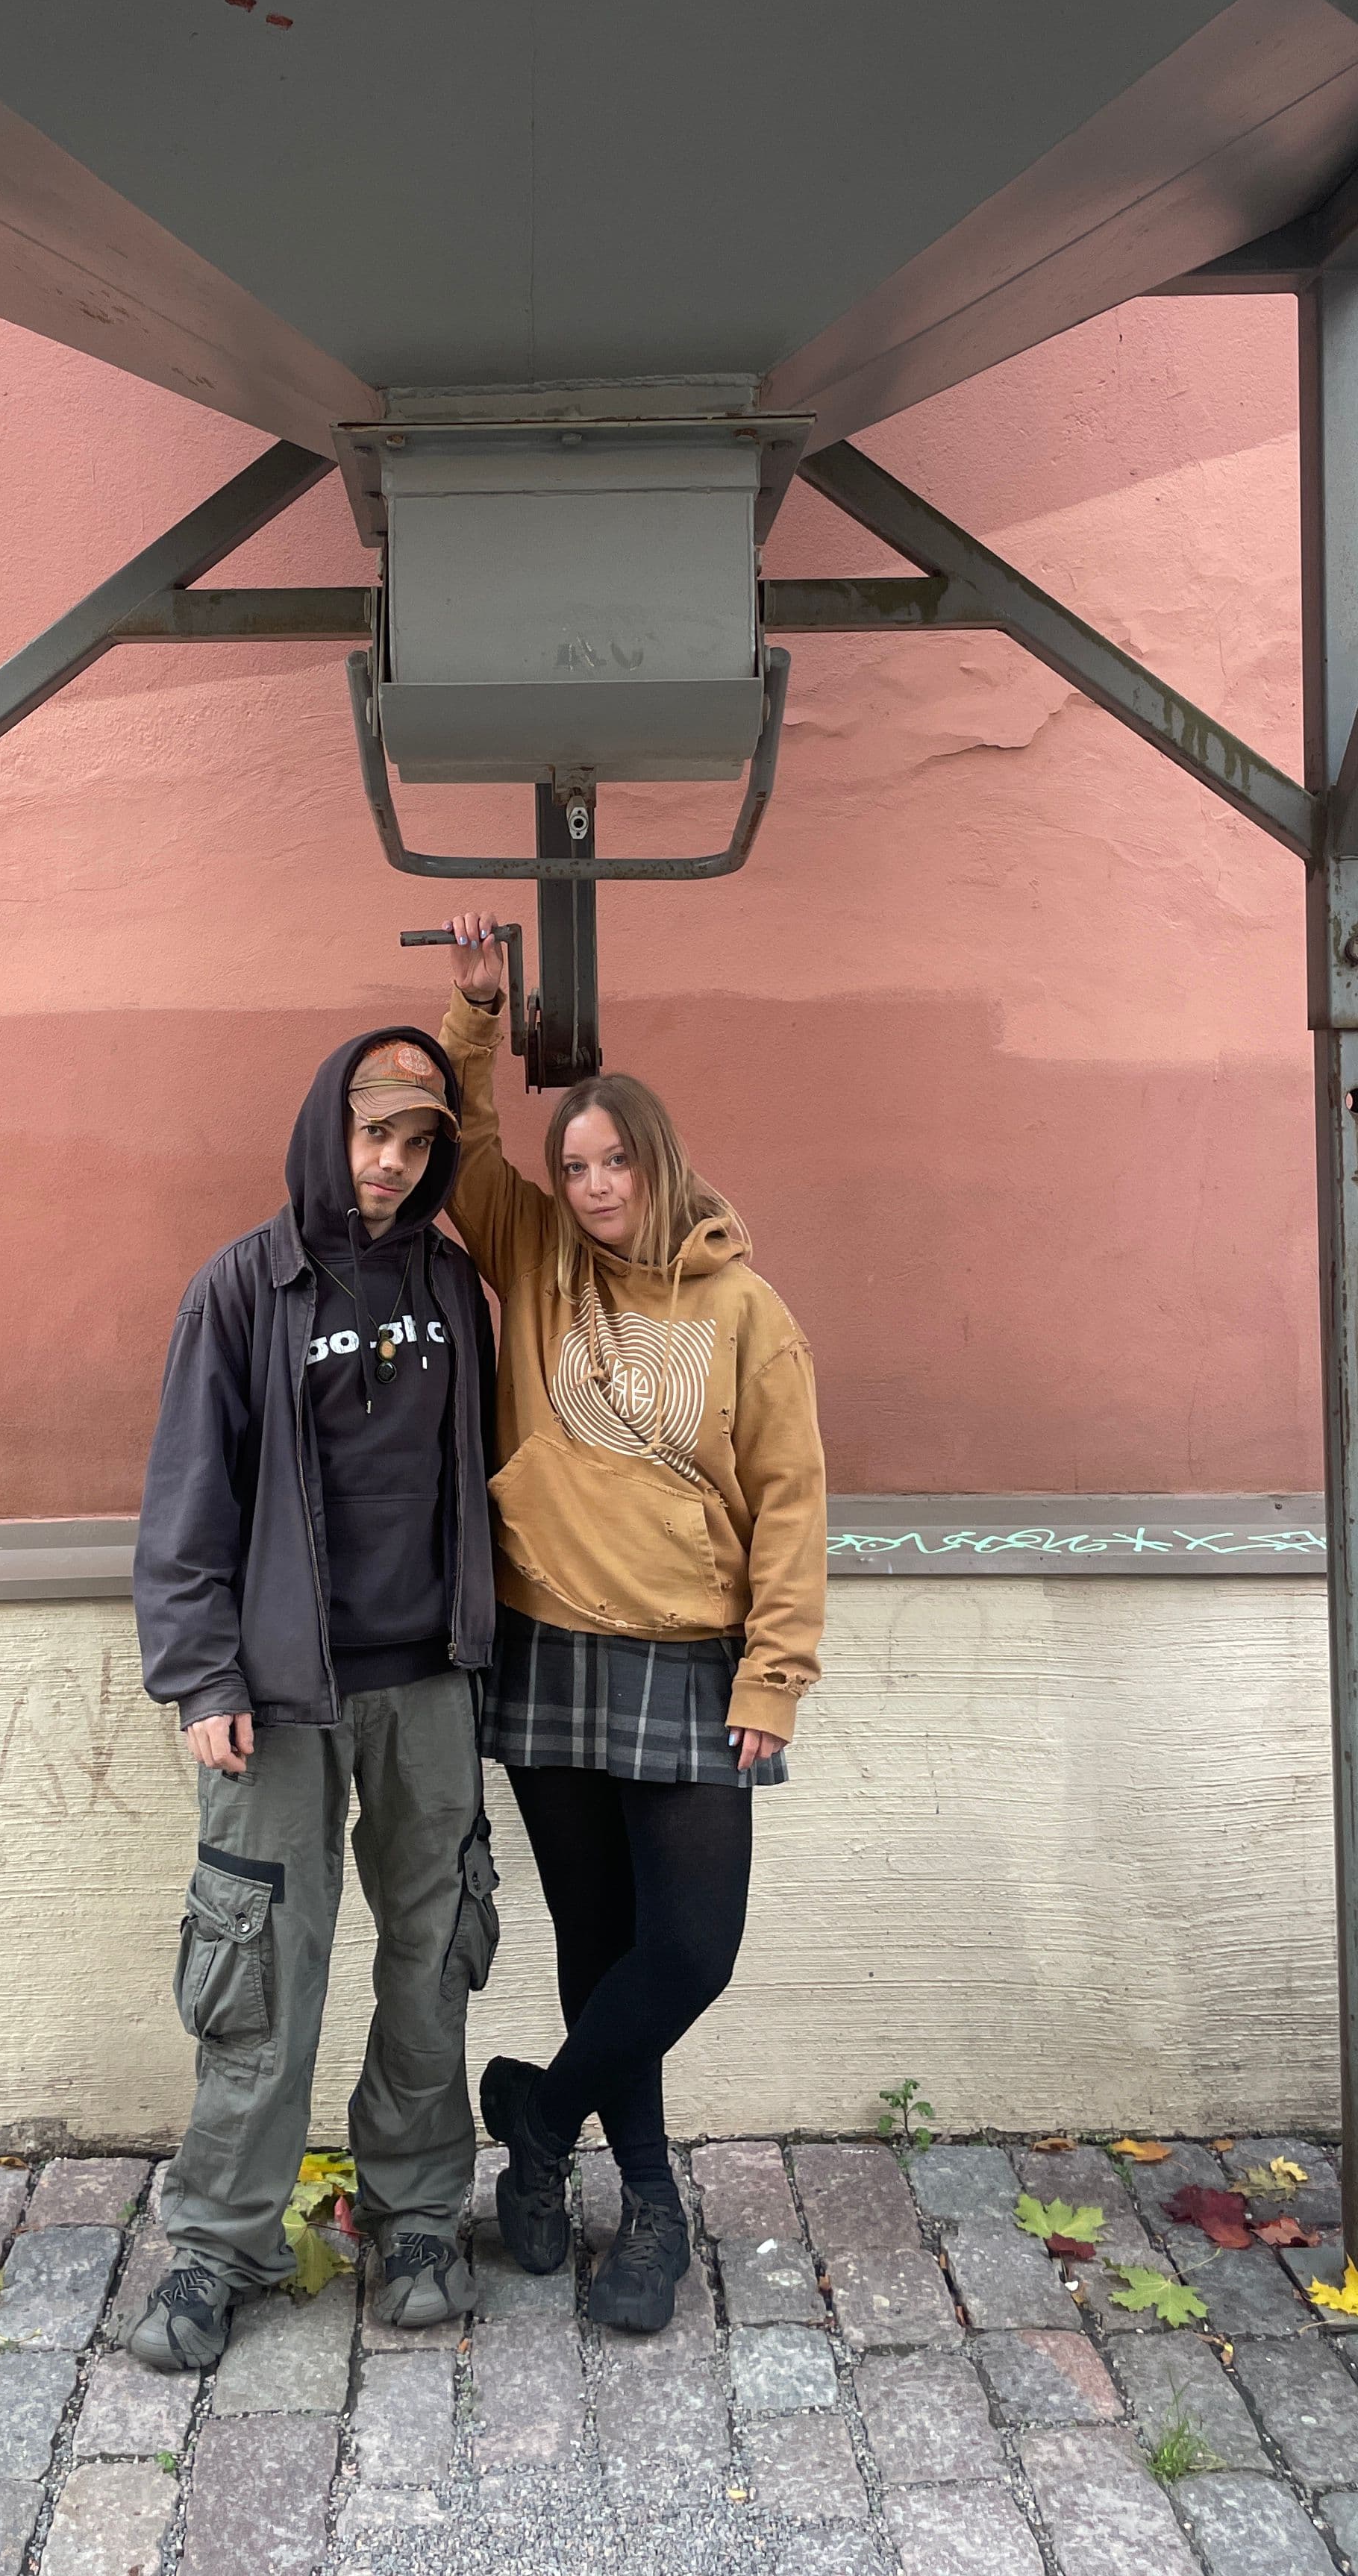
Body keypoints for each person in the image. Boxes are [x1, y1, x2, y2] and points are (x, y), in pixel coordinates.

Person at [438, 912, 827, 2334]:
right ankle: (649, 2205)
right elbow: (468, 1155)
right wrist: (476, 1018)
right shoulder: (537, 1251)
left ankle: (538, 2119)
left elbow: (790, 1500)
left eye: (617, 1162)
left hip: (687, 1659)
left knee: (691, 1951)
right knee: (598, 1947)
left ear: (660, 1163)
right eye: (578, 1167)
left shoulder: (747, 1311)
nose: (595, 1187)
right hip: (551, 1644)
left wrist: (773, 1677)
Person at [125, 1027, 501, 2370]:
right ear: (325, 1132)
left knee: (433, 1958)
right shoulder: (243, 1288)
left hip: (428, 1685)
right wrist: (201, 1674)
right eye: (370, 1134)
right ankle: (220, 2242)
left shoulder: (450, 1285)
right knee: (259, 1971)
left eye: (414, 1141)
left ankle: (417, 2217)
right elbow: (188, 1495)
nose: (389, 1162)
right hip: (280, 1696)